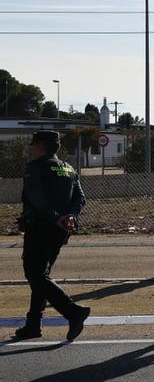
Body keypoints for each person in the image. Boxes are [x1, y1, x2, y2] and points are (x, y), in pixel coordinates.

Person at [14, 130, 89, 341]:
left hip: (41, 227)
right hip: (61, 231)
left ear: (39, 146)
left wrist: (55, 217)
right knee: (41, 277)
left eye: (33, 145)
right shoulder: (68, 168)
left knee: (35, 275)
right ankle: (33, 325)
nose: (32, 149)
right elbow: (80, 198)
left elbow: (36, 198)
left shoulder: (35, 167)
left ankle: (73, 312)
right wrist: (70, 217)